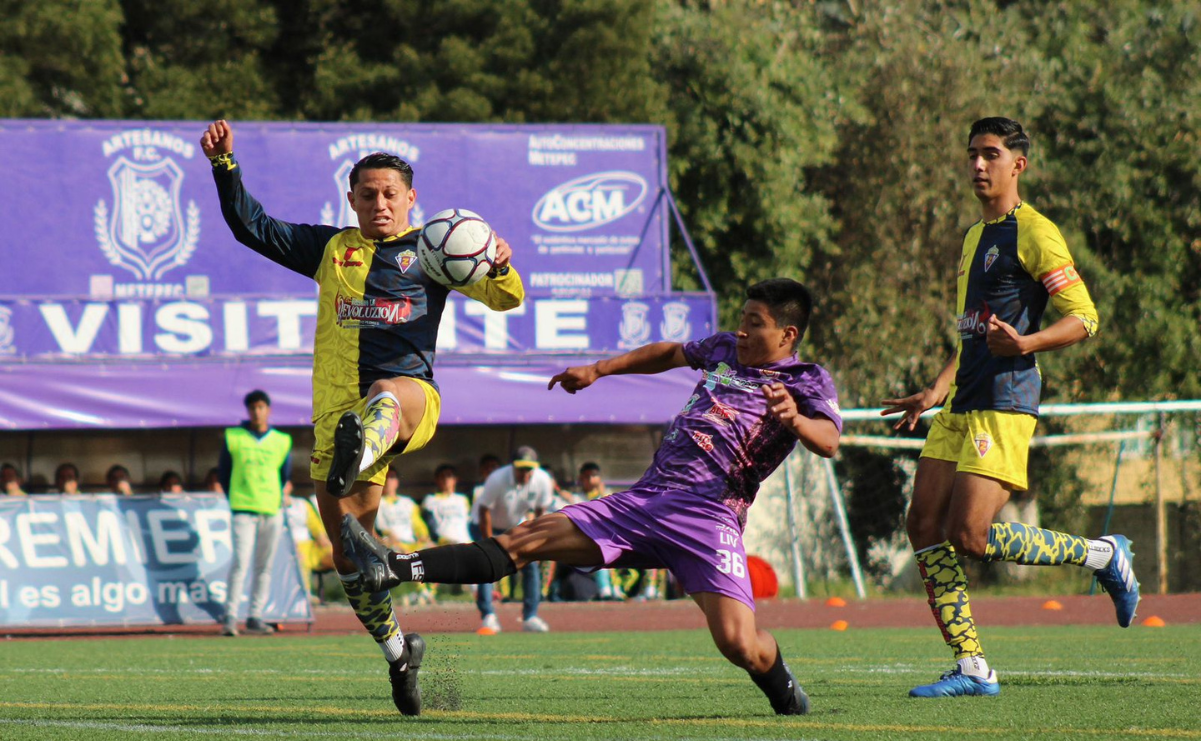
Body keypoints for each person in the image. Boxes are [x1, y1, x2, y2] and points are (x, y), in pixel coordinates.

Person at [341, 278, 839, 716]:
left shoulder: (805, 380)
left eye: (756, 323)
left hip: (709, 519)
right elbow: (668, 353)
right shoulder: (726, 348)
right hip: (644, 501)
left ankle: (782, 686)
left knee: (740, 645)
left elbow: (830, 440)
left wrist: (793, 418)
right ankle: (395, 566)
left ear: (788, 335)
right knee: (526, 540)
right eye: (743, 319)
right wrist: (600, 369)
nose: (744, 331)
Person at [201, 119, 524, 716]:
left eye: (390, 194)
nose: (380, 202)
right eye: (368, 193)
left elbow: (509, 299)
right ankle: (401, 653)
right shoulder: (332, 250)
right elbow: (253, 227)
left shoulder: (434, 250)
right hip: (335, 421)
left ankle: (366, 440)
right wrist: (225, 166)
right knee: (350, 557)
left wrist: (497, 261)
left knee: (385, 391)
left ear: (410, 199)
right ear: (351, 198)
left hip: (409, 403)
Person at [880, 117, 1139, 699]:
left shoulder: (1037, 233)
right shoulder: (974, 238)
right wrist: (934, 389)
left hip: (1005, 402)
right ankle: (972, 666)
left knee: (970, 536)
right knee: (923, 524)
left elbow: (1084, 316)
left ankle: (1102, 554)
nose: (977, 165)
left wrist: (1026, 343)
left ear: (1017, 164)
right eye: (972, 154)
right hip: (963, 400)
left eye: (990, 154)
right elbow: (970, 334)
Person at [218, 389, 293, 637]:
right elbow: (223, 471)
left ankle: (255, 615)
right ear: (248, 411)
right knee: (240, 562)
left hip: (271, 508)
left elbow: (285, 475)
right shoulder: (234, 436)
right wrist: (233, 497)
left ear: (268, 410)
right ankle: (230, 616)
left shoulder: (282, 440)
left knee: (264, 566)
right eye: (253, 408)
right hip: (243, 507)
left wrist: (280, 495)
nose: (257, 411)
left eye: (261, 407)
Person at [471, 447, 555, 634]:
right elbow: (484, 511)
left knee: (530, 564)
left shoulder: (542, 480)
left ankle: (530, 616)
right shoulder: (497, 479)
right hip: (484, 523)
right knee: (487, 566)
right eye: (521, 469)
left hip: (513, 524)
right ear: (512, 467)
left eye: (529, 469)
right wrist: (489, 544)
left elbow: (540, 512)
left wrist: (537, 541)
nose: (525, 474)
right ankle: (488, 616)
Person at [375, 469, 435, 605]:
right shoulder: (379, 503)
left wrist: (424, 537)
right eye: (386, 478)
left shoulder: (408, 502)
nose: (389, 481)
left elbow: (418, 524)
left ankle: (426, 593)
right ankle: (424, 593)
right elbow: (384, 529)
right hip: (392, 543)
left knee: (434, 551)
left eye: (392, 477)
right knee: (406, 555)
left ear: (397, 481)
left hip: (412, 542)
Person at [284, 489, 334, 600]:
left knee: (338, 554)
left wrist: (321, 537)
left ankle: (349, 592)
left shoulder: (301, 504)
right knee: (300, 560)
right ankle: (304, 594)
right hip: (291, 545)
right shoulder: (275, 507)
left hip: (310, 545)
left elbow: (314, 525)